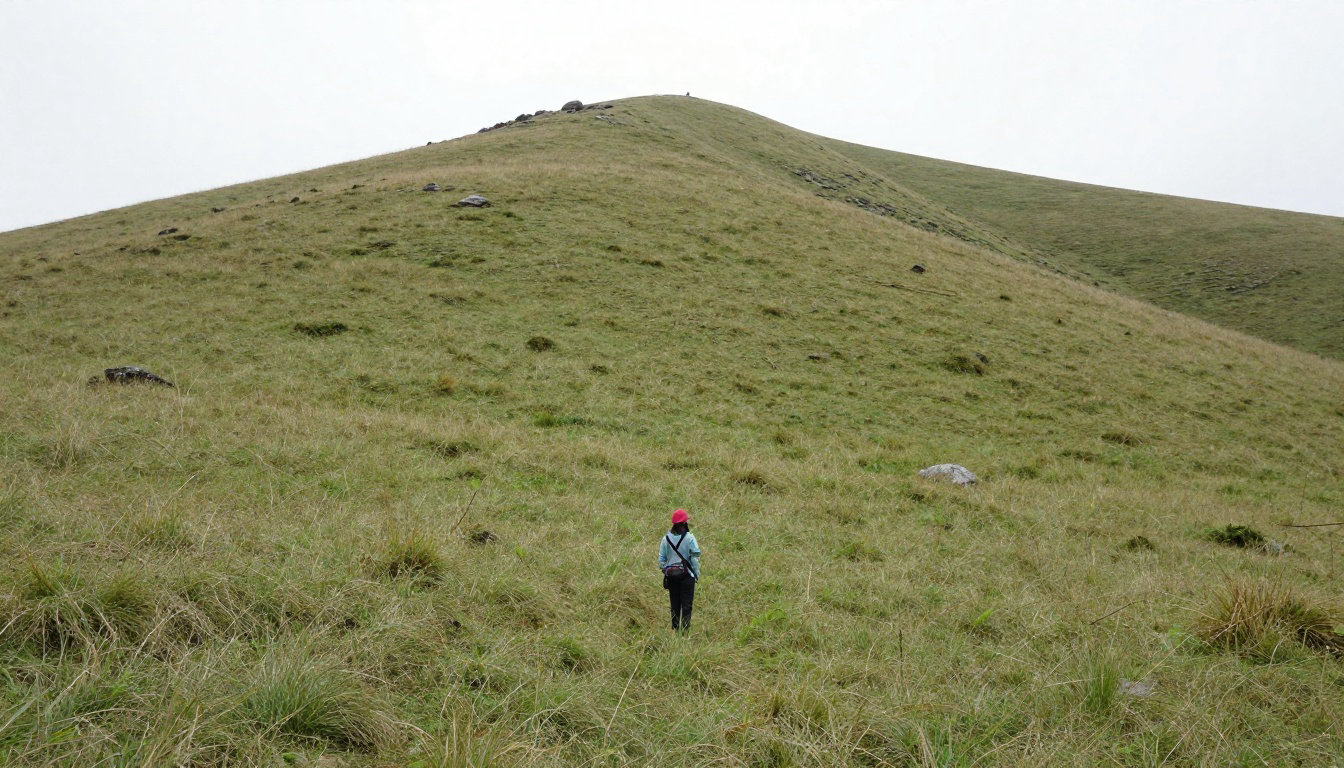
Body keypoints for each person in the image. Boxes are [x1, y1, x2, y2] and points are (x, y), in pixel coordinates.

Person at [658, 508, 701, 633]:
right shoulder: (690, 538)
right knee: (687, 605)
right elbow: (695, 558)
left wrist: (667, 571)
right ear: (684, 523)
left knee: (675, 604)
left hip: (672, 578)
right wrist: (696, 574)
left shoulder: (665, 539)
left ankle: (675, 629)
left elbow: (661, 561)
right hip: (687, 576)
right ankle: (685, 631)